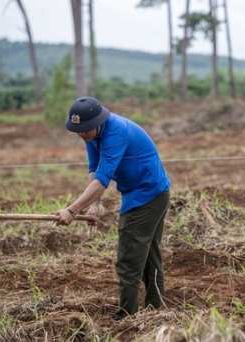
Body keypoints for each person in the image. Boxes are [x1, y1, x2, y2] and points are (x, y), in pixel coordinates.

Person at [54, 96, 171, 321]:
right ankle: (157, 310)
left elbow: (103, 180)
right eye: (78, 130)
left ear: (98, 122)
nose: (82, 134)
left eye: (85, 129)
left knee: (129, 258)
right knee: (148, 256)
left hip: (148, 195)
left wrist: (71, 210)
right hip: (146, 191)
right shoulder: (92, 134)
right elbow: (95, 169)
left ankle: (126, 318)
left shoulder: (116, 133)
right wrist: (93, 207)